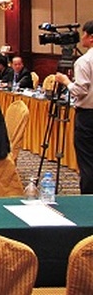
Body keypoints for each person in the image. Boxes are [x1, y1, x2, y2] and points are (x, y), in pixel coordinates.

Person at [55, 19, 93, 194]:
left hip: (88, 117)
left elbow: (80, 91)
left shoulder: (84, 61)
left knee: (87, 161)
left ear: (91, 37)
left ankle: (88, 200)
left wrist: (66, 81)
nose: (81, 38)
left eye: (84, 34)